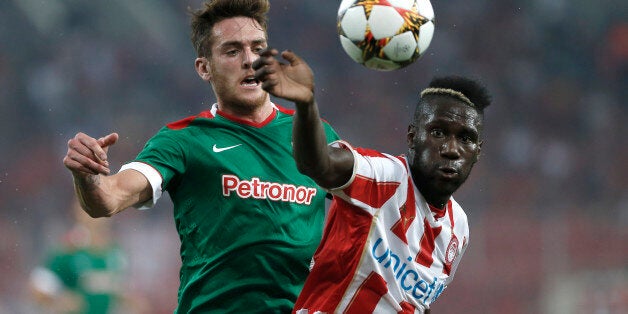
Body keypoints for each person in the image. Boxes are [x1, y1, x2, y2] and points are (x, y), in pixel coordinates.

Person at [62, 0, 340, 312]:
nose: (250, 60)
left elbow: (370, 202)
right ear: (204, 67)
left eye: (257, 47)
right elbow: (109, 198)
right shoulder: (184, 141)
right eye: (232, 51)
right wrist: (87, 177)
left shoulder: (313, 134)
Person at [253, 49, 491, 313]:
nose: (451, 149)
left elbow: (415, 303)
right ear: (412, 137)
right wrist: (306, 104)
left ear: (478, 152)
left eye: (466, 139)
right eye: (438, 132)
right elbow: (317, 164)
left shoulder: (459, 228)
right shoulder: (383, 178)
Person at [29, 199, 136, 314]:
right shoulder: (68, 250)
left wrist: (129, 302)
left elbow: (114, 291)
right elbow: (38, 289)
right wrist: (60, 300)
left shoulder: (116, 253)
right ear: (78, 213)